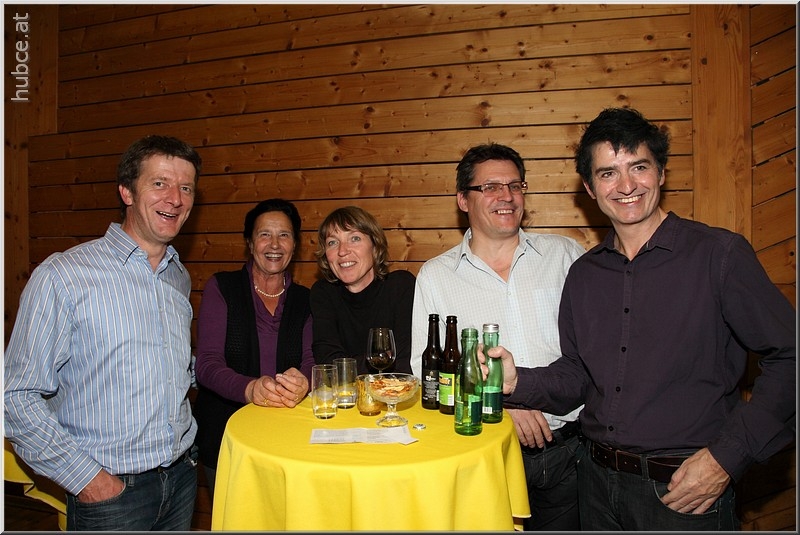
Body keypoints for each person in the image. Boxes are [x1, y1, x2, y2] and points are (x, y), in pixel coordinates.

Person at [483, 107, 796, 531]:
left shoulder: (718, 255)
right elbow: (579, 374)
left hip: (683, 493)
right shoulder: (584, 274)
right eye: (608, 173)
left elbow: (790, 356)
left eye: (639, 167)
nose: (626, 185)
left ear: (661, 173)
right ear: (590, 188)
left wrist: (727, 457)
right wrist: (517, 381)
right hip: (594, 486)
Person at [4, 135, 202, 531]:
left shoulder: (177, 277)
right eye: (160, 183)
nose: (175, 199)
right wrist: (90, 481)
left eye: (186, 188)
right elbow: (15, 397)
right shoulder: (63, 276)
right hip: (112, 494)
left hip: (181, 478)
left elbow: (169, 365)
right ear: (127, 192)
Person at [411, 143, 586, 530]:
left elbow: (593, 354)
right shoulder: (436, 276)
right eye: (490, 187)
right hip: (482, 450)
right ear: (463, 200)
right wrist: (501, 409)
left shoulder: (566, 256)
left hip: (569, 452)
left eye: (514, 185)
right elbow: (428, 377)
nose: (506, 196)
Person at [194, 198, 314, 497]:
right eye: (264, 234)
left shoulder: (306, 298)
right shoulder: (222, 287)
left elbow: (311, 360)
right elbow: (207, 364)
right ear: (250, 243)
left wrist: (305, 381)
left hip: (289, 440)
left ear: (295, 245)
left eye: (284, 235)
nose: (274, 244)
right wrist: (250, 389)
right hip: (226, 438)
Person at [311, 206, 415, 375]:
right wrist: (382, 360)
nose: (342, 251)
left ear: (375, 246)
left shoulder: (400, 286)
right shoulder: (323, 293)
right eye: (332, 242)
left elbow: (406, 363)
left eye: (354, 238)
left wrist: (348, 364)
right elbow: (327, 364)